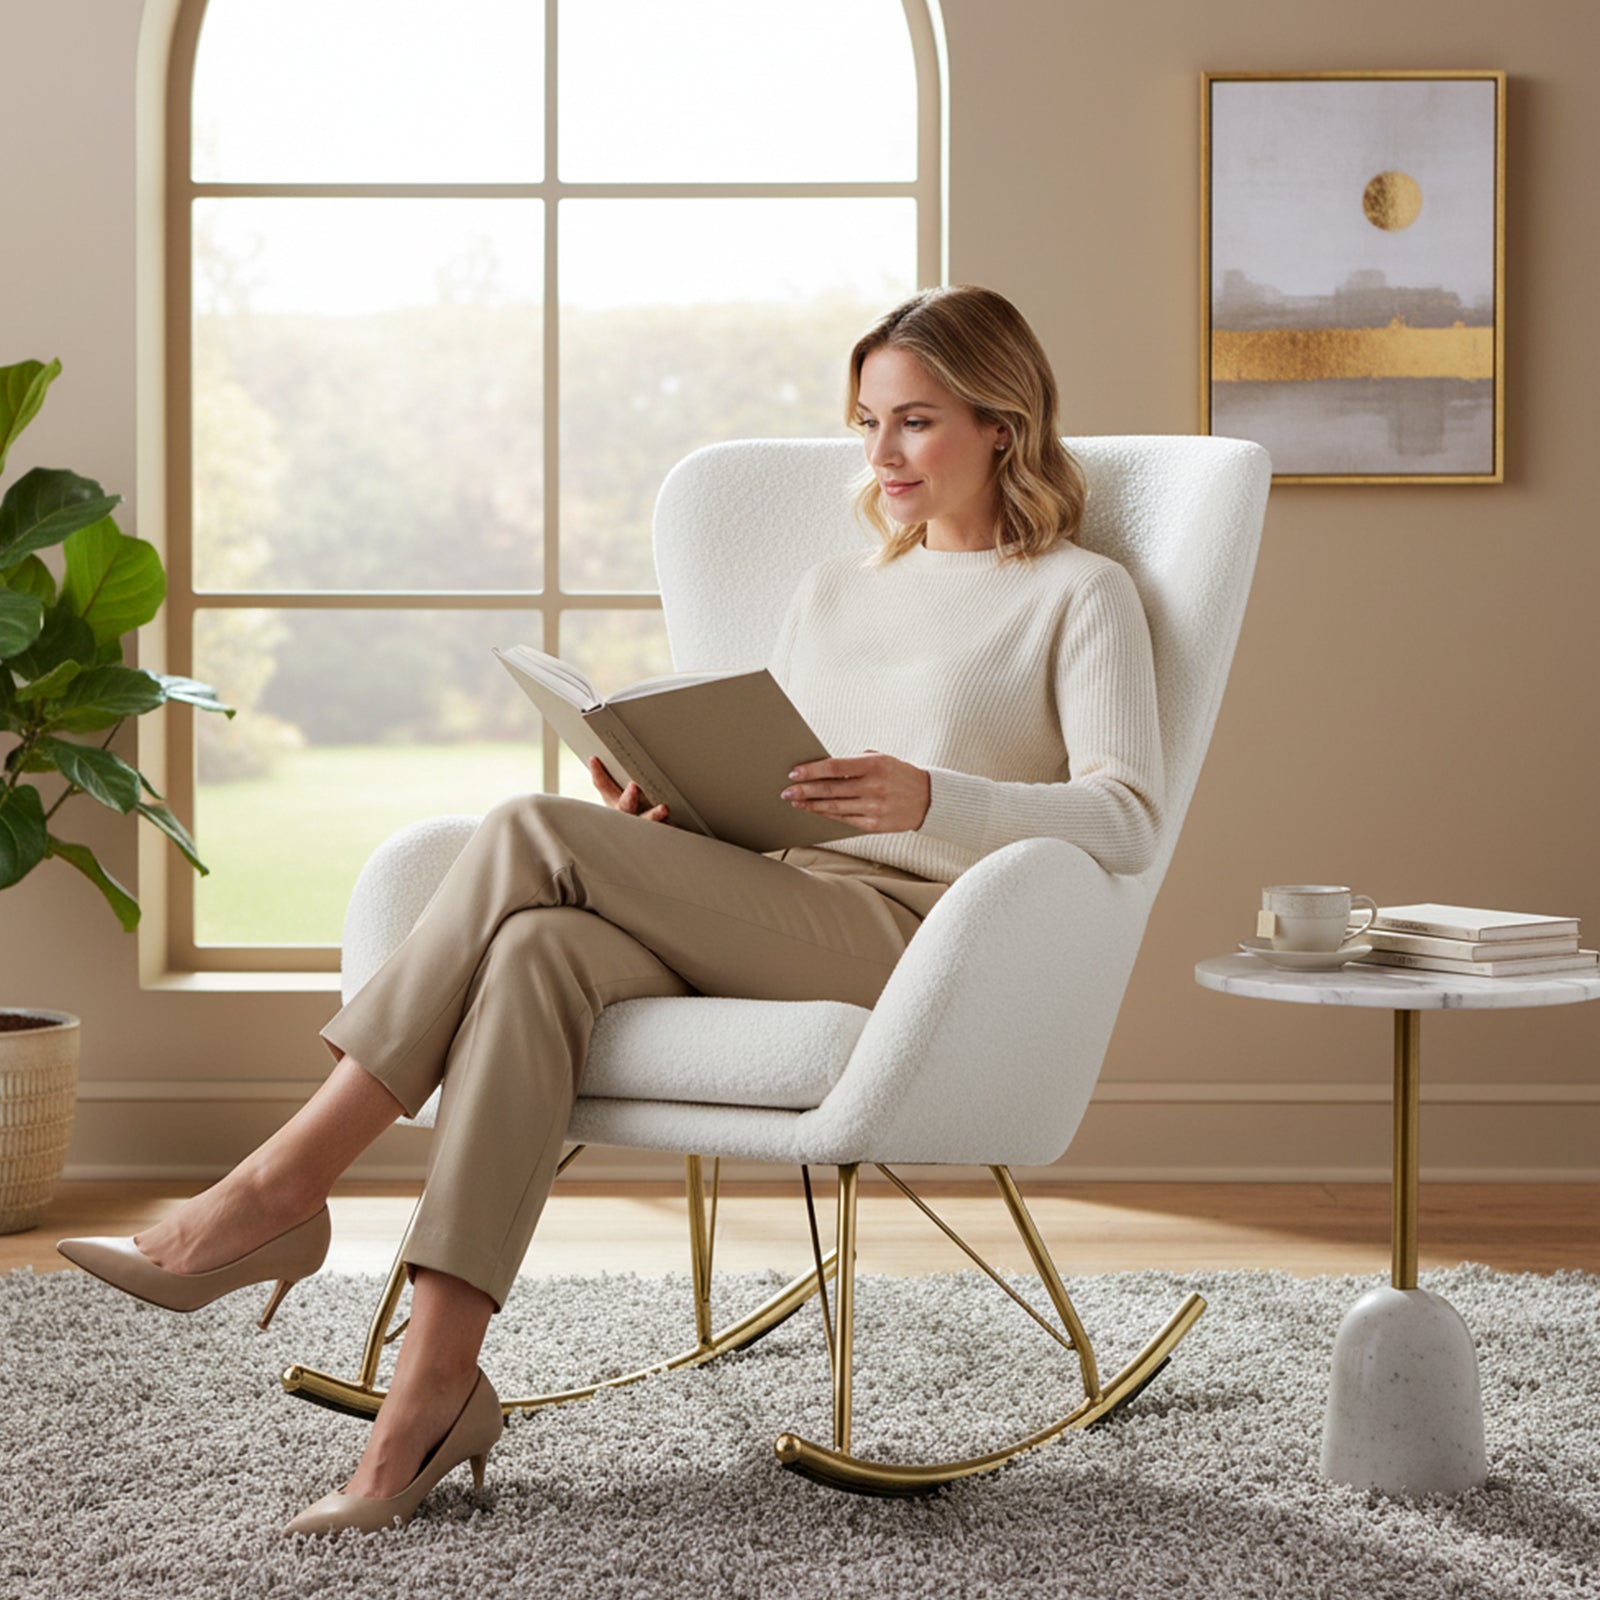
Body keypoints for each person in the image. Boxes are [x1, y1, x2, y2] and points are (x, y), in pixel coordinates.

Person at [56, 284, 1163, 1535]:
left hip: (918, 943)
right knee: (538, 947)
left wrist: (933, 793)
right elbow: (783, 796)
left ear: (1001, 424)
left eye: (915, 422)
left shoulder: (1078, 593)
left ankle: (275, 1187)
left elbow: (1127, 817)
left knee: (528, 830)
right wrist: (671, 815)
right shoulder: (836, 592)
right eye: (867, 422)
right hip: (780, 895)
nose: (881, 456)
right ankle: (431, 1390)